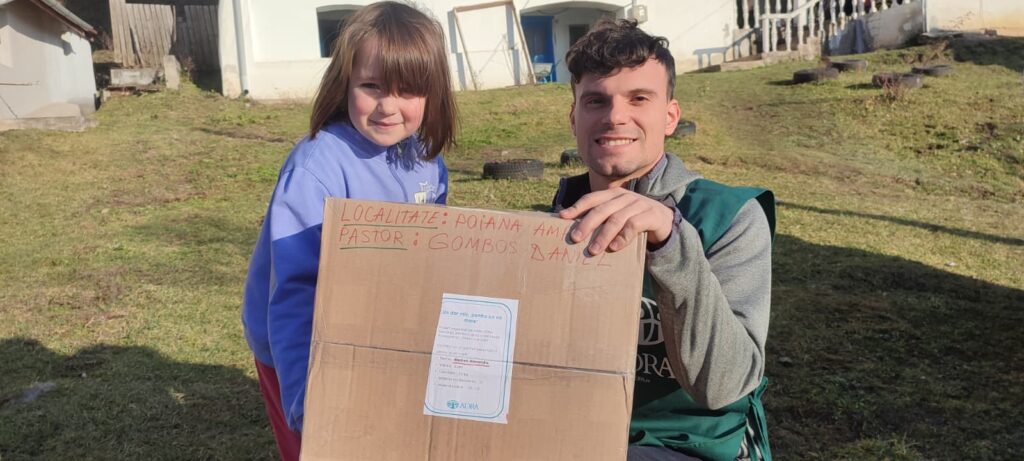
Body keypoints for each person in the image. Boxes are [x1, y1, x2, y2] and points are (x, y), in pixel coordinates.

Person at [240, 3, 456, 460]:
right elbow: (295, 290)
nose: (388, 106)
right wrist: (305, 398)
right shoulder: (316, 170)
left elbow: (430, 257)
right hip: (297, 345)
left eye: (408, 89)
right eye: (371, 86)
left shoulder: (427, 160)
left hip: (371, 331)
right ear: (345, 82)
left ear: (433, 92)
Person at [552, 19, 776, 461]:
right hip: (575, 431)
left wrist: (671, 243)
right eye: (596, 101)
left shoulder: (730, 217)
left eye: (639, 99)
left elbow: (725, 385)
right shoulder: (553, 223)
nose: (615, 116)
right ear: (574, 118)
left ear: (670, 117)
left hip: (690, 443)